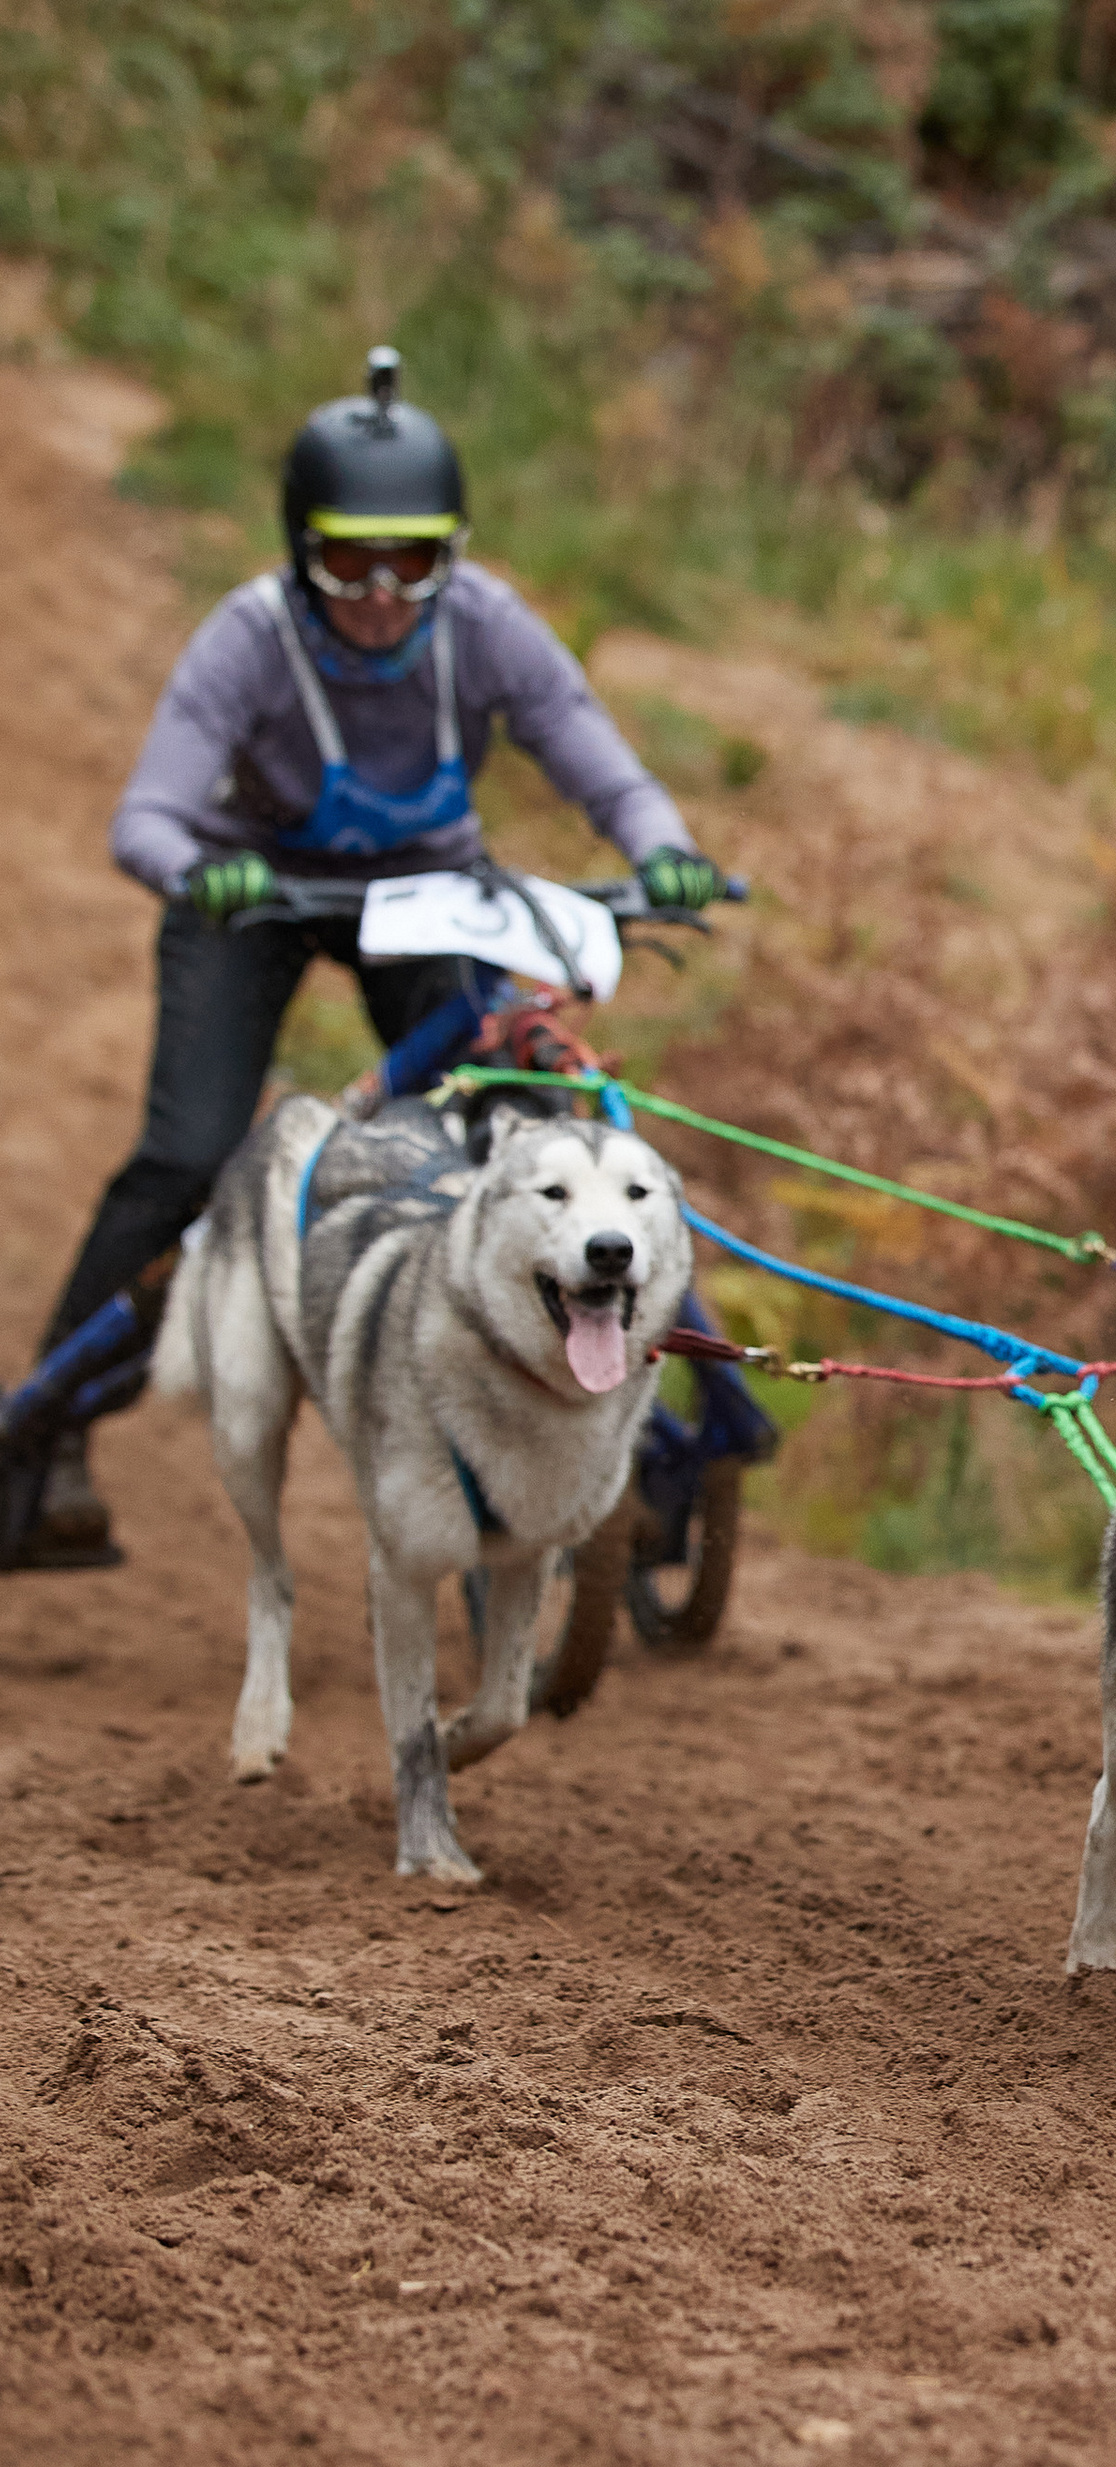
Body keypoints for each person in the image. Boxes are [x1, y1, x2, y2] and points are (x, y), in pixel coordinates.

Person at [23, 347, 721, 1567]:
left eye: (416, 559)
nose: (384, 591)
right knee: (188, 1151)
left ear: (452, 553)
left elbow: (587, 746)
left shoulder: (487, 625)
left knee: (525, 1134)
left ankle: (609, 1429)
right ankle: (58, 1430)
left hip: (435, 900)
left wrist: (663, 847)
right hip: (254, 897)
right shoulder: (247, 640)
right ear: (302, 549)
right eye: (351, 558)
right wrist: (198, 871)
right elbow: (146, 813)